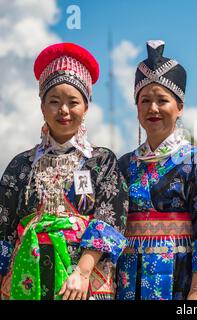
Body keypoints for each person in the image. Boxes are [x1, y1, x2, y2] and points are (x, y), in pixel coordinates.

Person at [0, 43, 128, 300]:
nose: (64, 111)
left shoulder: (101, 162)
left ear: (86, 107)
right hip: (26, 275)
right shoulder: (20, 165)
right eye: (54, 101)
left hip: (84, 278)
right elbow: (3, 229)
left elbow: (109, 219)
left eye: (73, 102)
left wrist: (81, 272)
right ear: (42, 106)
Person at [116, 40, 197, 300]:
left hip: (180, 274)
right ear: (136, 107)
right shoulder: (125, 164)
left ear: (180, 107)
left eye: (162, 100)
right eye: (145, 100)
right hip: (129, 275)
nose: (153, 108)